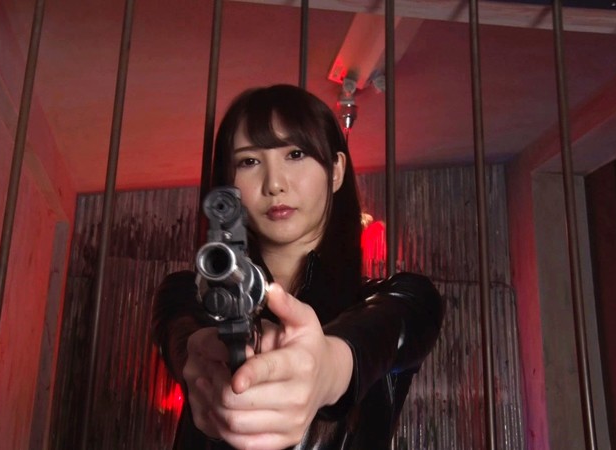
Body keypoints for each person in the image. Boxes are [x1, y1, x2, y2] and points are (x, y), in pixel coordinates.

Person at [152, 84, 444, 450]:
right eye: (249, 161)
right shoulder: (187, 293)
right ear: (229, 183)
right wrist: (205, 361)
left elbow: (386, 329)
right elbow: (186, 336)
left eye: (295, 154)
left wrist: (327, 368)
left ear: (336, 170)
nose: (274, 184)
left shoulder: (401, 298)